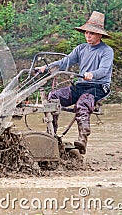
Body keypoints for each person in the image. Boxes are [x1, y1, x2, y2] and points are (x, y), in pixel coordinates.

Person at [36, 11, 114, 154]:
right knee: (53, 97)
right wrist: (45, 68)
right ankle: (51, 135)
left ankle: (82, 139)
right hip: (80, 85)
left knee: (82, 104)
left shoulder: (107, 51)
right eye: (86, 33)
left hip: (98, 87)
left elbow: (103, 70)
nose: (88, 36)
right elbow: (64, 62)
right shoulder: (81, 48)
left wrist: (92, 74)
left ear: (100, 35)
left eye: (92, 33)